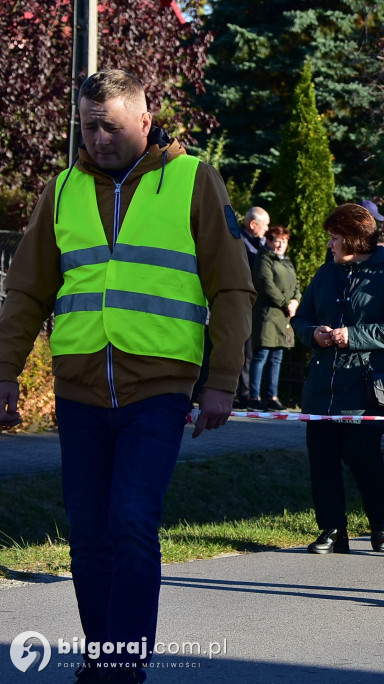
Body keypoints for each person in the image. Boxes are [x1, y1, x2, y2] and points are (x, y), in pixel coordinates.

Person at [0, 69, 254, 681]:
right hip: (81, 387)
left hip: (159, 388)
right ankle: (102, 654)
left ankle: (126, 665)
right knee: (87, 534)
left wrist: (222, 379)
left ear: (145, 120)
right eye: (89, 126)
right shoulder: (61, 189)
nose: (98, 138)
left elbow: (232, 286)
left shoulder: (193, 178)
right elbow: (27, 291)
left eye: (110, 126)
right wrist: (6, 372)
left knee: (131, 521)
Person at [293, 203, 384, 555]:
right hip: (322, 388)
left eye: (334, 238)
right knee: (322, 459)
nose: (329, 244)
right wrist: (312, 333)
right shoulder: (324, 274)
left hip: (365, 389)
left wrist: (355, 336)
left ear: (352, 239)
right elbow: (301, 319)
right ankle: (331, 530)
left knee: (362, 457)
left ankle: (379, 523)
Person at [249, 225, 300, 411]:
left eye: (284, 241)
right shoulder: (264, 258)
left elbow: (296, 284)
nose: (280, 244)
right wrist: (286, 302)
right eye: (276, 240)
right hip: (268, 315)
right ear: (269, 241)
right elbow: (266, 284)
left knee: (277, 357)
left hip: (283, 317)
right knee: (261, 355)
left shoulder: (286, 261)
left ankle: (272, 396)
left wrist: (296, 300)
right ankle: (254, 397)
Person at [235, 206, 270, 408]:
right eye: (264, 225)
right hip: (238, 303)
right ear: (252, 224)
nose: (267, 230)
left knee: (248, 352)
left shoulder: (261, 245)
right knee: (239, 350)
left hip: (252, 306)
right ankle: (237, 393)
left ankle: (245, 393)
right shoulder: (238, 242)